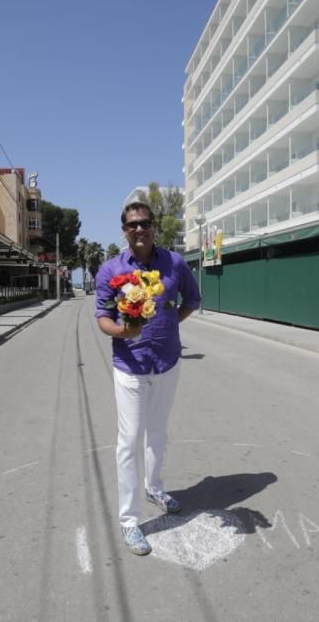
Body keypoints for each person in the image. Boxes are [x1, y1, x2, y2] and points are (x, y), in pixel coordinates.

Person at [94, 201, 201, 556]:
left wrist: (169, 326)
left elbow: (192, 300)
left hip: (167, 361)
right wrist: (123, 333)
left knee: (157, 432)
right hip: (130, 365)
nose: (139, 230)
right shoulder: (110, 269)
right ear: (123, 230)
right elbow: (102, 317)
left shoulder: (175, 263)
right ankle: (130, 521)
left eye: (145, 223)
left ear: (154, 227)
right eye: (132, 225)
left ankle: (154, 488)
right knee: (129, 440)